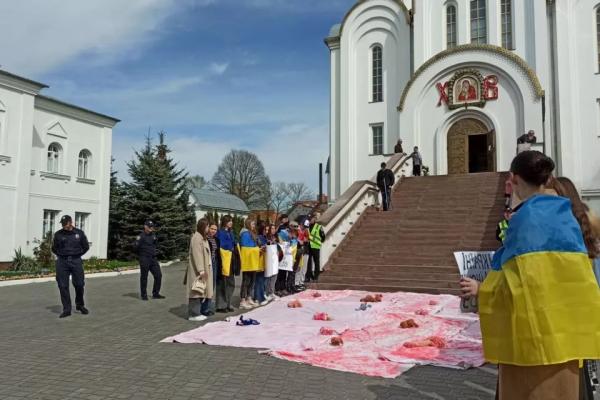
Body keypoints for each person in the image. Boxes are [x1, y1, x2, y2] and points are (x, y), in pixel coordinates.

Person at [461, 151, 600, 400]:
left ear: (514, 180)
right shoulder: (566, 216)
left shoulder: (525, 219)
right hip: (568, 339)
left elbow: (520, 285)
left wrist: (482, 290)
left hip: (533, 345)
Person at [51, 215, 90, 318]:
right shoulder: (58, 234)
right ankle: (67, 309)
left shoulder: (79, 233)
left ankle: (80, 305)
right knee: (63, 286)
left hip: (76, 260)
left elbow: (86, 247)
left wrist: (77, 255)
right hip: (62, 262)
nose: (64, 226)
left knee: (79, 284)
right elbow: (54, 248)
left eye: (66, 224)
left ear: (71, 222)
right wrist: (62, 254)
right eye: (63, 224)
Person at [184, 218, 213, 322]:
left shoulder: (203, 238)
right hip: (198, 271)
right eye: (207, 226)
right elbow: (197, 255)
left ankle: (198, 312)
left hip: (205, 269)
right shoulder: (197, 238)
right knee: (196, 291)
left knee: (200, 291)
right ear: (202, 227)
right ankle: (193, 314)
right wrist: (201, 270)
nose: (208, 229)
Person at [134, 220, 165, 301]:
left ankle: (156, 293)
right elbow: (136, 248)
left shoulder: (153, 235)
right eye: (150, 226)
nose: (151, 228)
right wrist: (142, 256)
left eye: (152, 226)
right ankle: (144, 295)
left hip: (153, 259)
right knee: (144, 277)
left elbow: (155, 245)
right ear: (145, 227)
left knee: (158, 275)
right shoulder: (141, 236)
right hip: (144, 259)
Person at [215, 216, 236, 313]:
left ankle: (228, 303)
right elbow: (222, 245)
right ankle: (221, 305)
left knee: (231, 282)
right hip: (223, 260)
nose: (231, 222)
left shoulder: (230, 232)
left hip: (231, 259)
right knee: (223, 283)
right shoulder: (220, 232)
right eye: (229, 221)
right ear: (224, 222)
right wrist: (230, 246)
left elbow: (234, 243)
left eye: (231, 221)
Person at [239, 218, 260, 310]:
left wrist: (259, 248)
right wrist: (256, 249)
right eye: (252, 224)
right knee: (246, 280)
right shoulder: (245, 234)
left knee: (252, 280)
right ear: (247, 224)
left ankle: (249, 297)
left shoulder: (253, 233)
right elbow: (245, 247)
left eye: (254, 224)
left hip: (254, 260)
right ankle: (242, 300)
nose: (253, 226)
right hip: (248, 261)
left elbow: (254, 245)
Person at [202, 223, 219, 316]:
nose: (213, 231)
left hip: (214, 262)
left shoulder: (215, 239)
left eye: (215, 229)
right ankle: (203, 308)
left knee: (212, 286)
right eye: (212, 228)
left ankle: (207, 307)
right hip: (207, 264)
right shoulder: (205, 239)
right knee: (206, 286)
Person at [306, 213, 325, 282]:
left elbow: (323, 237)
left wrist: (319, 242)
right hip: (308, 246)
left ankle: (316, 276)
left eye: (311, 219)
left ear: (314, 219)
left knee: (316, 262)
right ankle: (308, 276)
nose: (310, 220)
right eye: (309, 219)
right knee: (308, 262)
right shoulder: (307, 227)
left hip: (316, 246)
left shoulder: (319, 226)